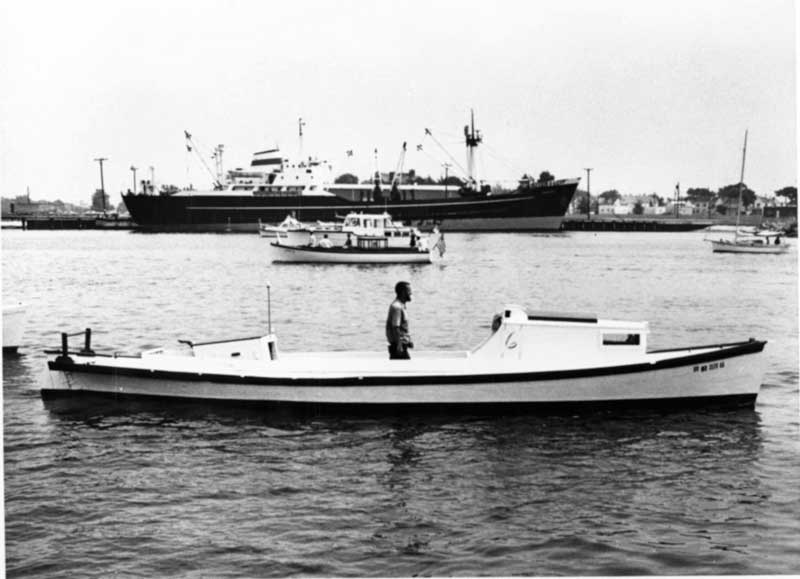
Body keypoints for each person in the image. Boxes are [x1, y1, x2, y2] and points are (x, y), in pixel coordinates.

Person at [386, 281, 413, 360]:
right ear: (403, 292)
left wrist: (409, 340)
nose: (411, 293)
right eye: (409, 291)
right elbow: (395, 327)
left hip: (401, 345)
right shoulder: (397, 307)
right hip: (398, 347)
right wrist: (399, 345)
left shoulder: (401, 306)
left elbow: (402, 327)